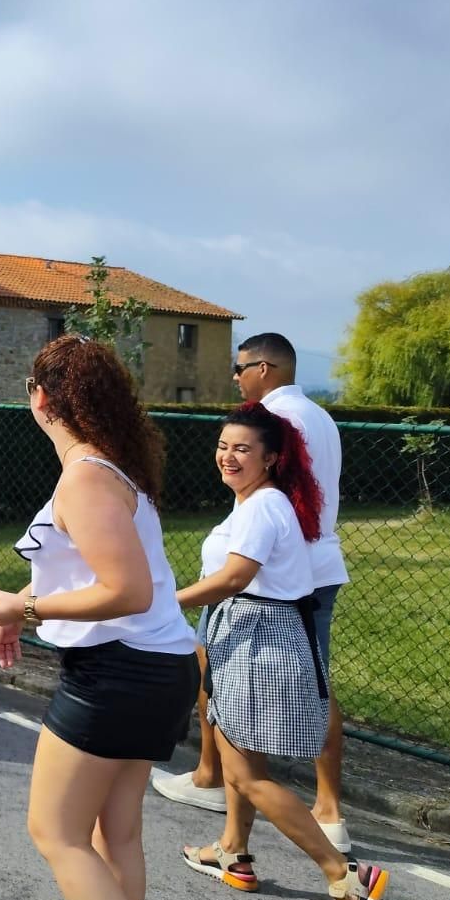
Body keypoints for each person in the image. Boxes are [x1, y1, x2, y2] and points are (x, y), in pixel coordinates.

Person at [0, 335, 197, 900]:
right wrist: (18, 612)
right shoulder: (113, 471)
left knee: (56, 832)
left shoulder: (87, 476)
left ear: (40, 398)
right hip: (155, 669)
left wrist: (25, 605)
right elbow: (97, 573)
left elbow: (128, 590)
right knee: (114, 831)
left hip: (117, 674)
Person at [175, 402, 388, 900]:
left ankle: (345, 877)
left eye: (242, 449)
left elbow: (233, 578)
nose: (228, 456)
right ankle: (233, 852)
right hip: (242, 637)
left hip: (260, 644)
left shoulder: (263, 507)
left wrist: (159, 603)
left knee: (246, 775)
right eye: (223, 446)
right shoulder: (253, 502)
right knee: (233, 757)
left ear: (271, 458)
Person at [154, 334, 353, 851]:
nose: (236, 378)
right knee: (314, 680)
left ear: (263, 368)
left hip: (268, 594)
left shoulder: (274, 429)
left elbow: (245, 559)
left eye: (240, 368)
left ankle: (222, 786)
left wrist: (169, 598)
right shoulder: (320, 416)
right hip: (304, 571)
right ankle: (250, 835)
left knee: (231, 690)